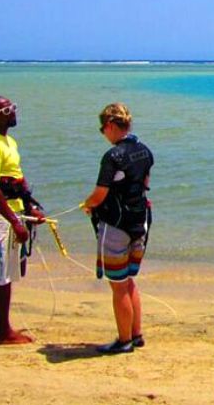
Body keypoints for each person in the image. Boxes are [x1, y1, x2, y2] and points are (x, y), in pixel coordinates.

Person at [81, 103, 155, 354]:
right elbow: (145, 184)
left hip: (117, 226)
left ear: (111, 126)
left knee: (118, 284)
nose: (104, 134)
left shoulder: (113, 156)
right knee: (129, 280)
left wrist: (87, 205)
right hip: (140, 222)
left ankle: (124, 340)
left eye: (103, 129)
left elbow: (100, 193)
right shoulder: (144, 151)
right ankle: (136, 334)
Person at [0, 95, 45, 344]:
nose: (14, 112)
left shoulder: (9, 141)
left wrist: (32, 207)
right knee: (2, 273)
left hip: (13, 211)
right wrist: (13, 221)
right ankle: (4, 332)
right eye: (9, 109)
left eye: (14, 107)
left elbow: (17, 181)